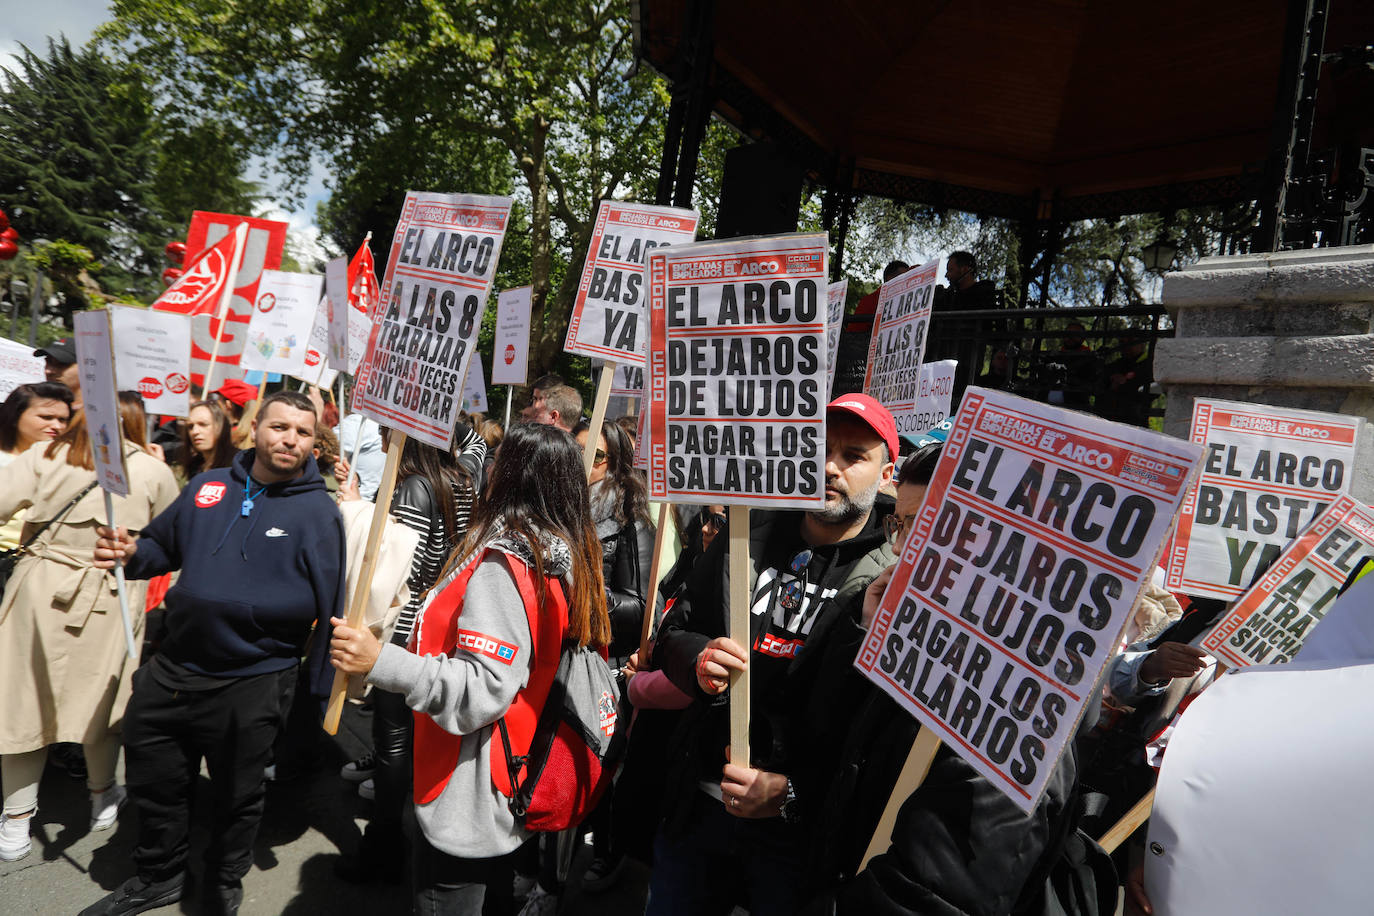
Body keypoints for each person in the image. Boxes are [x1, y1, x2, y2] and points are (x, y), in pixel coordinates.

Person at [328, 422, 611, 915]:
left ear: (510, 475)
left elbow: (483, 688)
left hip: (470, 788)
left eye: (499, 459)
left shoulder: (508, 564)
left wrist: (381, 662)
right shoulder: (559, 549)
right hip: (502, 774)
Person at [83, 390, 345, 916]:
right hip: (173, 668)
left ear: (314, 443)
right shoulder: (207, 486)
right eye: (279, 427)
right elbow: (160, 547)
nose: (290, 439)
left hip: (255, 679)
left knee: (236, 795)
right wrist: (131, 552)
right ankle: (160, 874)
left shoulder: (320, 514)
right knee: (154, 782)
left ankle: (224, 879)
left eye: (302, 432)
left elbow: (332, 608)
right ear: (254, 430)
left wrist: (318, 700)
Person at [644, 393, 899, 916]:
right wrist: (697, 660)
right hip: (697, 810)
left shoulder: (889, 579)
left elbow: (867, 735)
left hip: (794, 843)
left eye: (853, 456)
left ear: (887, 472)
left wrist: (793, 795)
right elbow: (672, 633)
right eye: (819, 449)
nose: (829, 467)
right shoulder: (744, 533)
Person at [0, 399, 179, 863]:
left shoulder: (45, 455)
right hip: (111, 595)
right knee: (104, 703)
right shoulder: (151, 470)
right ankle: (102, 797)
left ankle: (16, 821)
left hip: (42, 590)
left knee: (24, 703)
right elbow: (175, 540)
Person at [334, 429, 477, 882]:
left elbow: (400, 569)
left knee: (393, 742)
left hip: (408, 627)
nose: (378, 432)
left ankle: (384, 847)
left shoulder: (416, 485)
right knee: (410, 738)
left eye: (386, 428)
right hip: (440, 621)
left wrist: (358, 512)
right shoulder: (461, 476)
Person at [571, 418, 653, 891]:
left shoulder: (630, 519)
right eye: (577, 454)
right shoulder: (560, 504)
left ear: (616, 462)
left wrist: (581, 592)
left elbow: (639, 606)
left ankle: (605, 849)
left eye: (596, 457)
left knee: (596, 761)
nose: (586, 466)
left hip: (604, 665)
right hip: (561, 652)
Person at [0, 381, 75, 551]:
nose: (56, 426)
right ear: (16, 415)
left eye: (63, 420)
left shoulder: (68, 464)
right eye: (46, 417)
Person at [178, 399, 238, 481]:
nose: (195, 432)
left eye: (203, 424)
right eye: (190, 426)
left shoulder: (239, 464)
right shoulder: (194, 465)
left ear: (221, 426)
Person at [34, 337, 82, 408]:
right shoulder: (32, 406)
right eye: (48, 362)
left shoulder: (100, 414)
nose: (48, 371)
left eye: (61, 364)